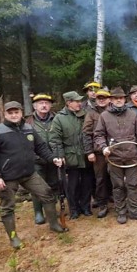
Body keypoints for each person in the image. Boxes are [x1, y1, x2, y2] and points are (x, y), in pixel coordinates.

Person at [0, 101, 66, 249]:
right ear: (5, 114)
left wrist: (52, 158)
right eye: (10, 113)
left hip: (29, 173)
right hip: (6, 177)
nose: (14, 115)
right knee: (8, 207)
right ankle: (13, 238)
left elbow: (40, 147)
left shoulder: (28, 128)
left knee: (47, 194)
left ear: (21, 112)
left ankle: (54, 224)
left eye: (16, 112)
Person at [94, 87, 137, 224]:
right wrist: (104, 147)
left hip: (132, 156)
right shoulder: (104, 116)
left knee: (133, 185)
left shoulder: (133, 114)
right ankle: (121, 212)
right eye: (115, 98)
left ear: (124, 99)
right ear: (111, 100)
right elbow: (98, 135)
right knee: (118, 185)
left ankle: (134, 211)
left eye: (120, 98)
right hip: (114, 157)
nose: (118, 100)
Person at [50, 91, 94, 219]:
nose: (80, 103)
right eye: (77, 101)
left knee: (87, 183)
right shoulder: (59, 118)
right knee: (72, 186)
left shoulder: (85, 115)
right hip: (70, 157)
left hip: (85, 155)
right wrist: (60, 155)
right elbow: (55, 140)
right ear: (69, 103)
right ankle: (74, 209)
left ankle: (86, 207)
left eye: (80, 101)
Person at [25, 93, 58, 224]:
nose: (44, 106)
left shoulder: (56, 118)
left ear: (50, 105)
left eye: (46, 103)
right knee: (37, 187)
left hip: (54, 159)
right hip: (36, 161)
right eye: (40, 103)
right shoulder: (28, 122)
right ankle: (38, 212)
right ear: (34, 106)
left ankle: (52, 210)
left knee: (54, 185)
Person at [82, 88, 113, 218]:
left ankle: (115, 199)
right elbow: (86, 133)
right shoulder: (91, 113)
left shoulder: (114, 111)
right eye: (99, 98)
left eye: (104, 98)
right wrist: (89, 151)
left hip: (114, 150)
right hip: (99, 152)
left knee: (115, 177)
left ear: (109, 99)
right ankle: (102, 204)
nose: (101, 100)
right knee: (100, 178)